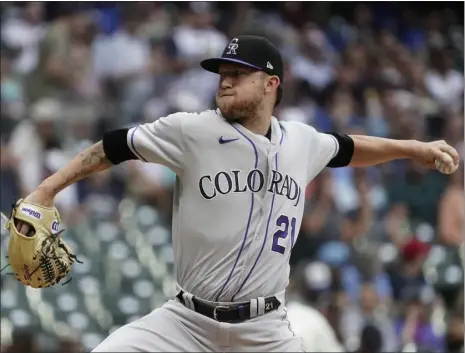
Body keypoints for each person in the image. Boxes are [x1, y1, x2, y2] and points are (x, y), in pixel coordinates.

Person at [14, 35, 459, 352]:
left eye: (237, 74)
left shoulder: (303, 141)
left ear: (271, 84)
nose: (223, 81)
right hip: (185, 323)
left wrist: (413, 149)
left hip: (265, 331)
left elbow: (349, 148)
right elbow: (114, 145)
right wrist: (46, 189)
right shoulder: (191, 129)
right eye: (221, 74)